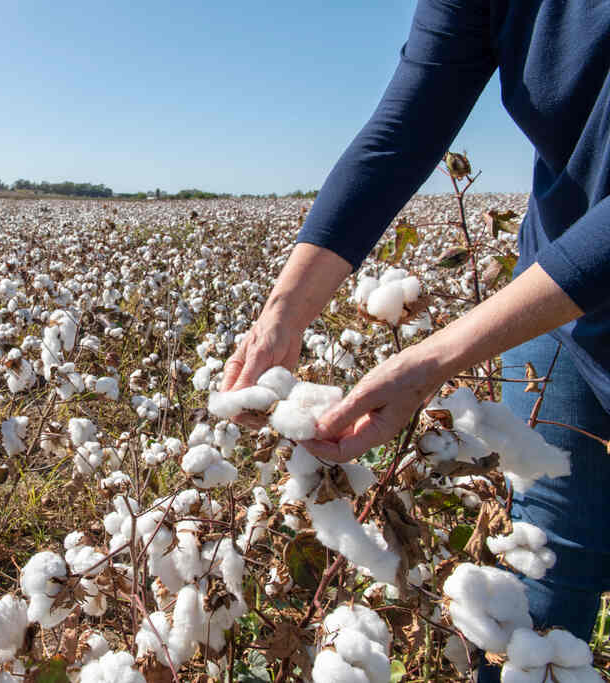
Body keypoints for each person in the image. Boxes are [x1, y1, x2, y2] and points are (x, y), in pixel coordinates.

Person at [220, 0, 610, 679]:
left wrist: (434, 358)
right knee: (537, 605)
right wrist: (282, 312)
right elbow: (401, 132)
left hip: (569, 285)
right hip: (558, 320)